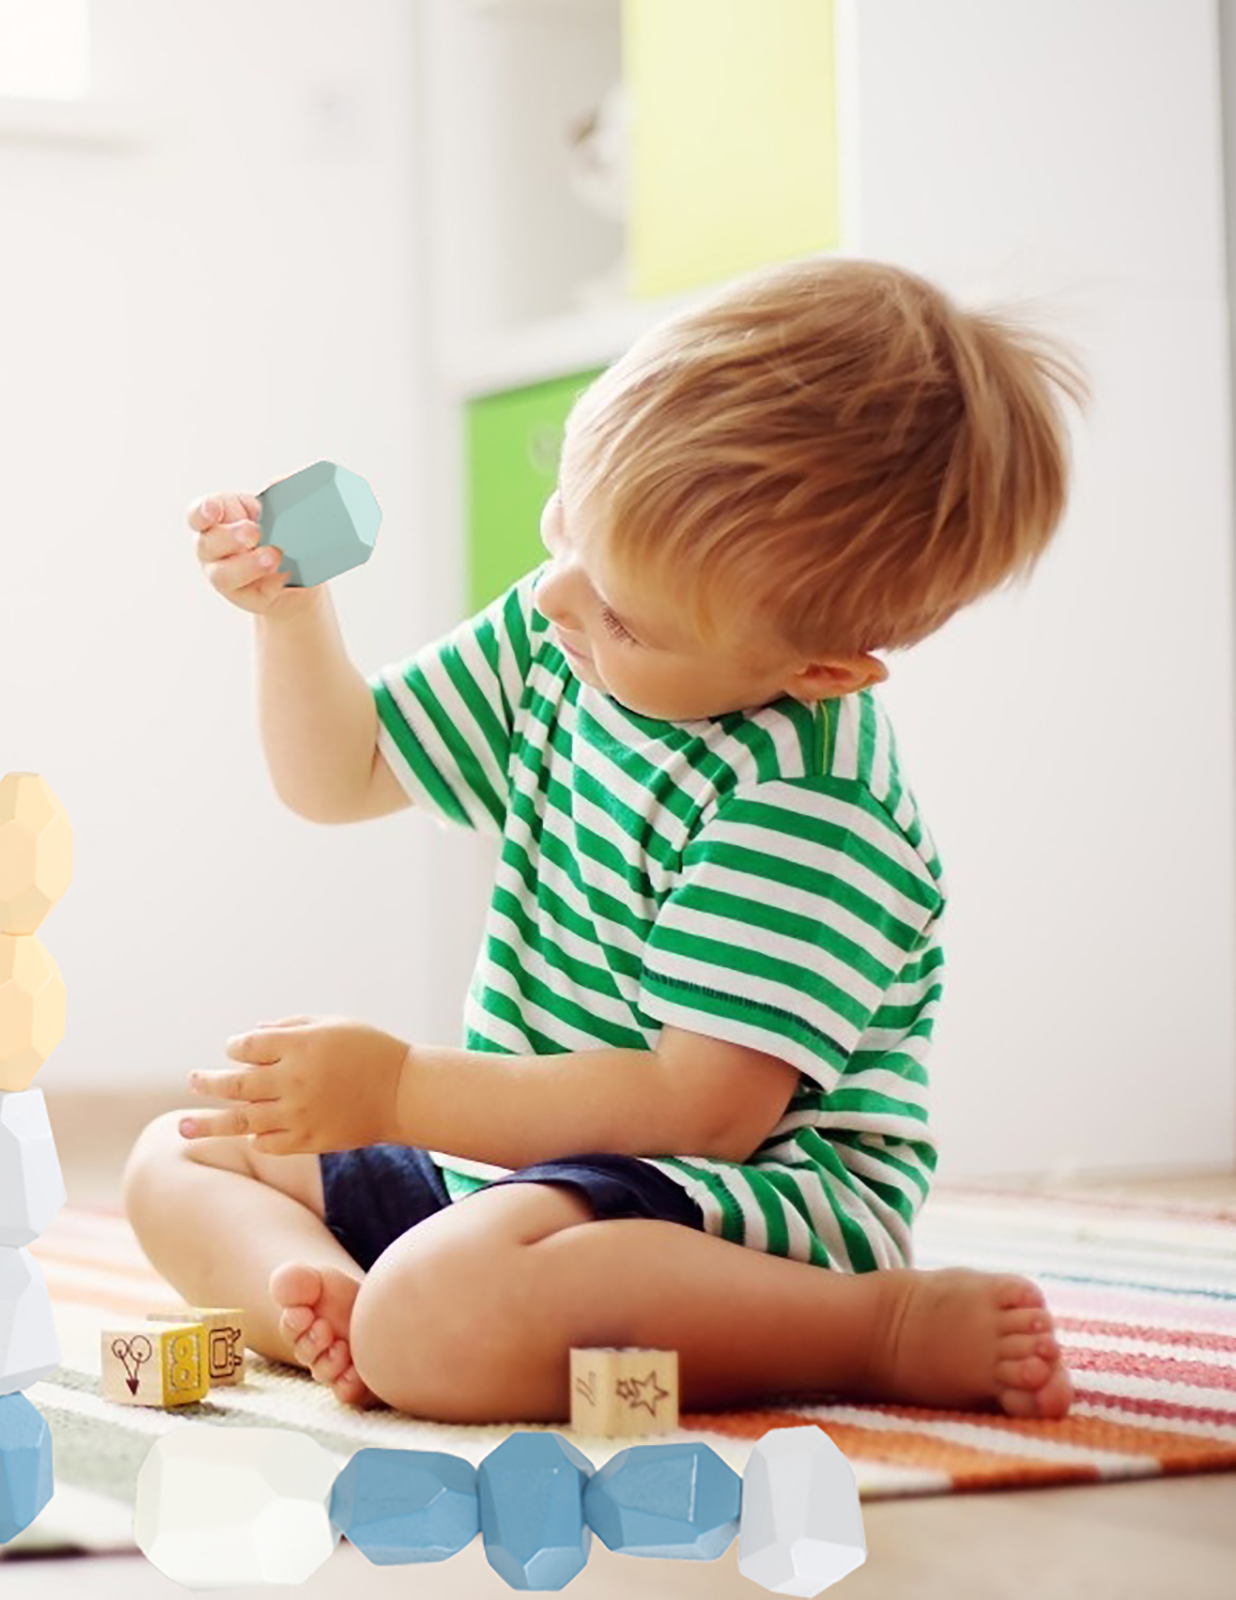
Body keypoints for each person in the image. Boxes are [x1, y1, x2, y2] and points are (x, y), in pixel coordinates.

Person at [123, 255, 1089, 1425]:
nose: (555, 599)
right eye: (565, 523)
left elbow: (697, 1112)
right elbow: (344, 773)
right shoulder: (567, 631)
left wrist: (400, 1087)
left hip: (733, 1209)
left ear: (820, 671)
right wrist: (291, 619)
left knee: (442, 1306)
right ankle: (341, 1308)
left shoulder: (807, 800)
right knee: (181, 1151)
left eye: (622, 614)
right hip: (518, 1178)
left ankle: (875, 1327)